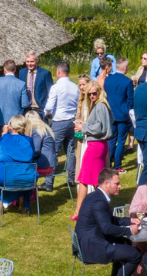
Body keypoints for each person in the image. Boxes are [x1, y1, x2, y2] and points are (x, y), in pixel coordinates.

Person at [74, 168, 142, 276]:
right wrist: (129, 230)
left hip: (88, 241)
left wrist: (129, 220)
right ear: (106, 183)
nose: (120, 186)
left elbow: (108, 219)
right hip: (92, 247)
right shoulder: (99, 202)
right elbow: (107, 228)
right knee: (135, 254)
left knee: (126, 243)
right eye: (117, 184)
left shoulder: (95, 196)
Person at [74, 78, 113, 219]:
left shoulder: (100, 106)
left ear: (99, 92)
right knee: (98, 181)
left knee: (84, 178)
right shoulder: (101, 105)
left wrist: (83, 127)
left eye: (94, 93)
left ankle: (79, 211)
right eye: (89, 94)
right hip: (100, 145)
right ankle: (100, 210)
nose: (91, 96)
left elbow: (99, 127)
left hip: (95, 146)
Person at [43, 62, 79, 192]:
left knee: (54, 152)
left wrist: (47, 114)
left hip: (59, 121)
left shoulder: (56, 87)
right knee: (70, 150)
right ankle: (71, 178)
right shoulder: (75, 87)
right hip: (71, 121)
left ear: (59, 71)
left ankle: (49, 181)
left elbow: (49, 106)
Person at [0, 116, 40, 209]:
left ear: (11, 126)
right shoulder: (29, 140)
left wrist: (4, 134)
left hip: (4, 177)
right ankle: (22, 203)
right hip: (26, 176)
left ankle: (1, 200)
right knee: (21, 177)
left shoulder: (4, 138)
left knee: (6, 177)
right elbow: (32, 156)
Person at [103, 57, 135, 171]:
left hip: (111, 114)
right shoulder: (127, 82)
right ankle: (117, 166)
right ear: (125, 68)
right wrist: (127, 110)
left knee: (112, 140)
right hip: (123, 114)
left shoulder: (108, 80)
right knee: (121, 141)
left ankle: (108, 164)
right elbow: (131, 100)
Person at [0, 59, 26, 128]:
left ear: (4, 69)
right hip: (15, 122)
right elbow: (25, 104)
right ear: (15, 70)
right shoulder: (21, 84)